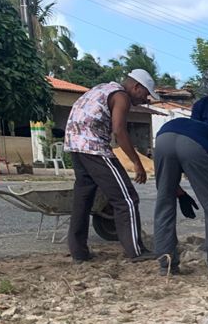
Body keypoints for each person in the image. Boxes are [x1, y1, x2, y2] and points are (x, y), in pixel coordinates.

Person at [64, 68, 160, 263]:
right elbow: (119, 131)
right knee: (127, 199)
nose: (145, 99)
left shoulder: (102, 88)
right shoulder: (121, 96)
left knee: (83, 200)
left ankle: (79, 252)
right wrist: (137, 162)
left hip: (75, 146)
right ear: (136, 87)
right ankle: (136, 251)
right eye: (145, 94)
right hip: (94, 147)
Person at [153, 117, 208, 277]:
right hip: (193, 145)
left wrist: (179, 193)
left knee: (164, 203)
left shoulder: (198, 128)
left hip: (163, 140)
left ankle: (166, 266)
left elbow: (167, 181)